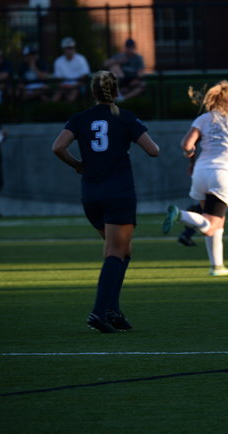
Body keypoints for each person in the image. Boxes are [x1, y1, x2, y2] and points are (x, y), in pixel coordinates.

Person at [52, 70, 159, 333]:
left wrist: (77, 164)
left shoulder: (80, 118)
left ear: (93, 92)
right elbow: (153, 150)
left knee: (123, 251)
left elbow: (58, 147)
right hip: (119, 192)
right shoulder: (125, 117)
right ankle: (99, 312)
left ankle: (113, 310)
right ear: (116, 91)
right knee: (115, 252)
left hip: (91, 194)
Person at [162, 80, 228, 276]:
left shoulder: (204, 118)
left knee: (215, 222)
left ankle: (217, 266)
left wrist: (190, 152)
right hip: (223, 174)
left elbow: (186, 144)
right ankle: (180, 215)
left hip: (201, 172)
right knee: (211, 226)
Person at [52, 37, 90, 103]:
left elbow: (84, 78)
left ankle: (68, 107)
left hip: (78, 86)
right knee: (56, 96)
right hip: (64, 86)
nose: (70, 50)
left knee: (72, 95)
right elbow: (58, 79)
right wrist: (65, 86)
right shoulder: (58, 61)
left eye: (72, 47)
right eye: (68, 48)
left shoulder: (81, 59)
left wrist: (73, 86)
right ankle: (52, 108)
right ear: (63, 49)